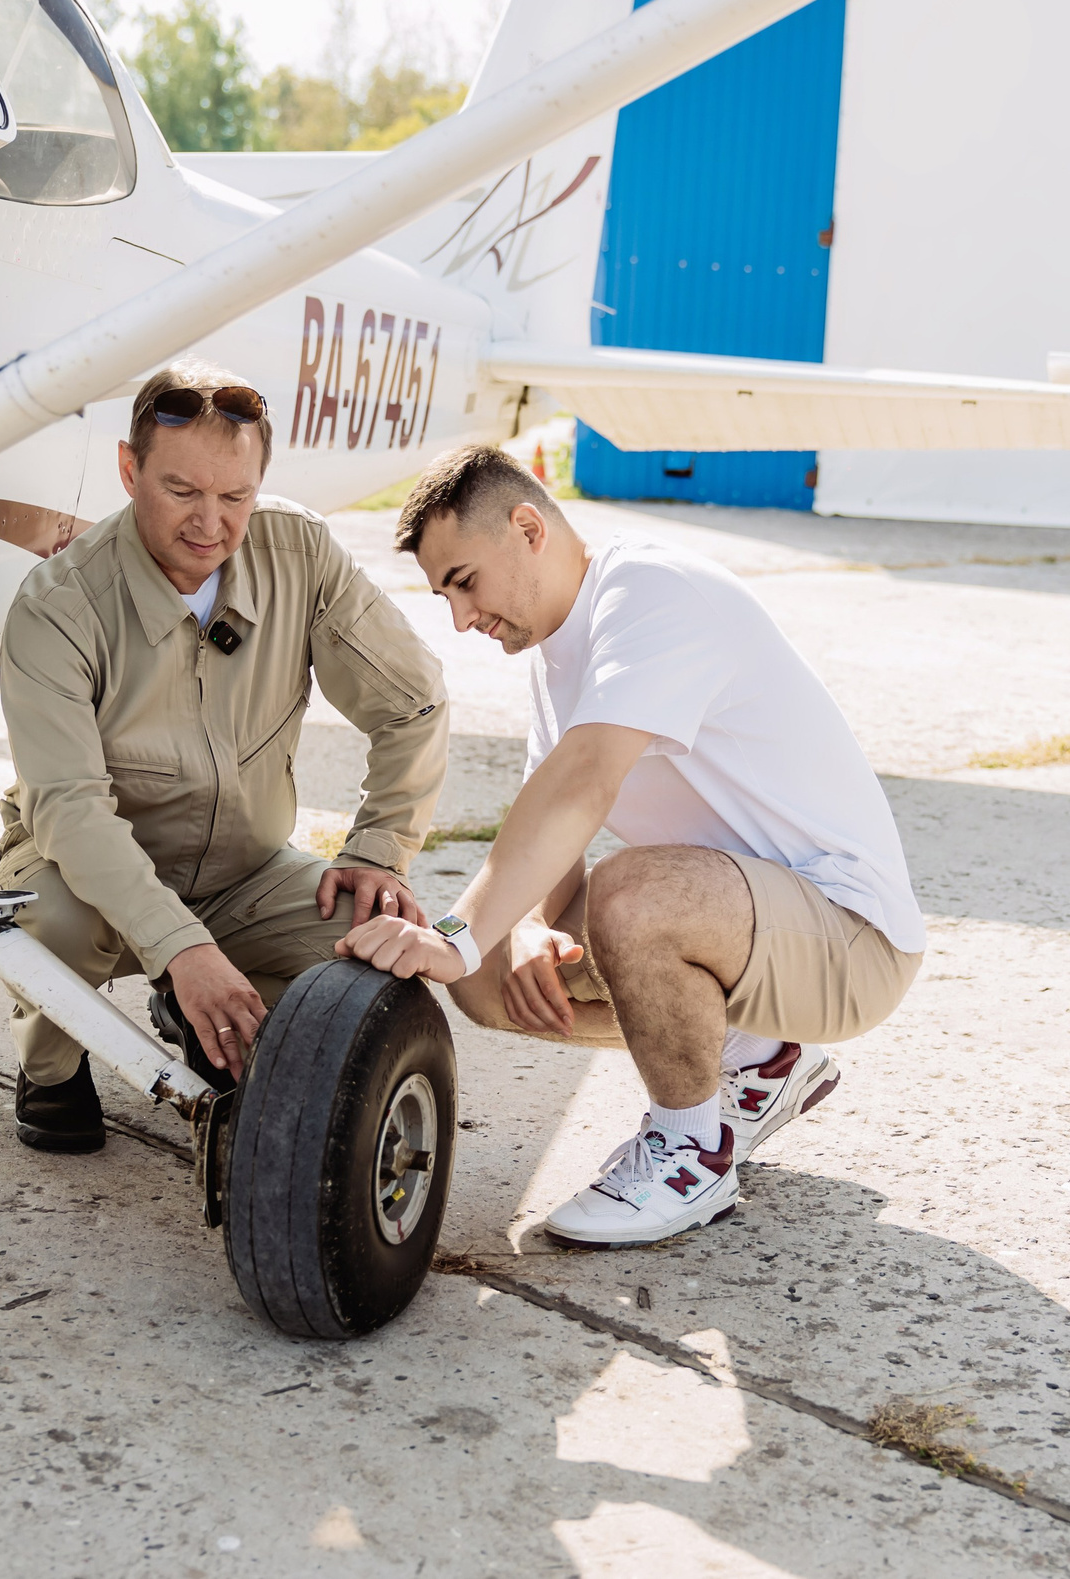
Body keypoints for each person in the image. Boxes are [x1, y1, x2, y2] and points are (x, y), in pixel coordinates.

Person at [338, 445, 923, 1248]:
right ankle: (766, 1057)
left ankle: (692, 1148)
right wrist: (521, 931)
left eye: (465, 581)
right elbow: (551, 830)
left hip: (852, 938)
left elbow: (585, 781)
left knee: (627, 896)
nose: (461, 619)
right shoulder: (554, 655)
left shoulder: (650, 592)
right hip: (749, 924)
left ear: (527, 527)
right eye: (446, 595)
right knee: (486, 975)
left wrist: (455, 935)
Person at [0, 359, 448, 1152]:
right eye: (182, 491)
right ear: (130, 471)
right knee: (47, 922)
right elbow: (70, 811)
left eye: (235, 497)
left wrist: (380, 848)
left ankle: (215, 1021)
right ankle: (51, 1064)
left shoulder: (299, 553)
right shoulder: (59, 605)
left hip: (247, 874)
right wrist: (181, 946)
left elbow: (414, 703)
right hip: (87, 882)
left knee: (376, 953)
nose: (211, 523)